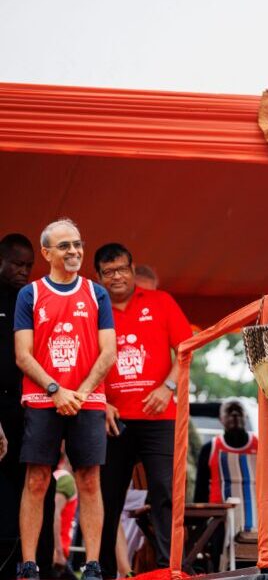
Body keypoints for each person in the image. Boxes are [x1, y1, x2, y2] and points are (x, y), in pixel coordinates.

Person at [13, 219, 117, 580]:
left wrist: (81, 393)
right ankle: (29, 564)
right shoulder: (30, 294)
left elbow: (109, 352)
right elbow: (22, 354)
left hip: (87, 400)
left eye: (77, 244)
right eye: (64, 246)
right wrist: (56, 390)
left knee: (89, 480)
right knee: (37, 479)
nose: (74, 251)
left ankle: (93, 564)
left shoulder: (96, 293)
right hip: (43, 398)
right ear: (46, 253)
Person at [94, 243, 192, 578]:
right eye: (108, 272)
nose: (116, 277)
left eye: (122, 269)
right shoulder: (93, 309)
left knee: (165, 490)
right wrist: (99, 400)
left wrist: (168, 387)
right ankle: (103, 570)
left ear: (132, 269)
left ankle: (169, 568)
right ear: (99, 277)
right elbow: (81, 362)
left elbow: (186, 350)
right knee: (106, 497)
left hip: (159, 417)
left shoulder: (161, 301)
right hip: (112, 419)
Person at [0, 233, 57, 580]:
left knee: (40, 485)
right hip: (2, 410)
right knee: (5, 495)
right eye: (17, 264)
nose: (24, 271)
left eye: (29, 265)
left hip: (34, 409)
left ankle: (40, 567)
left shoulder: (34, 300)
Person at [194, 399, 258, 504]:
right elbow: (201, 489)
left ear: (245, 416)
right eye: (229, 411)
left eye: (239, 410)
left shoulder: (260, 446)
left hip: (253, 509)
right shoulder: (209, 449)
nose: (234, 413)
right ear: (221, 418)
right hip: (219, 511)